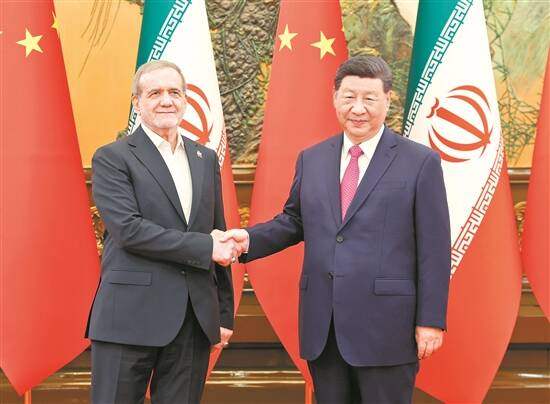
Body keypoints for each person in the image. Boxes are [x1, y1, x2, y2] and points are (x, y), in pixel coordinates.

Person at [224, 56, 451, 403]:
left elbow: (434, 249)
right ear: (335, 98)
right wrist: (249, 240)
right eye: (349, 97)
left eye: (369, 98)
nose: (358, 108)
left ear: (387, 100)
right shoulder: (312, 159)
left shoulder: (420, 162)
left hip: (388, 328)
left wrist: (430, 320)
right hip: (325, 326)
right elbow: (295, 221)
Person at [86, 60, 240, 404]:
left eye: (175, 92)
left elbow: (217, 233)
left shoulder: (204, 158)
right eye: (154, 93)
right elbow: (129, 230)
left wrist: (223, 312)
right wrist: (205, 246)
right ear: (137, 103)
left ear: (186, 100)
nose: (166, 100)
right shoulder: (113, 158)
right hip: (128, 317)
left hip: (193, 318)